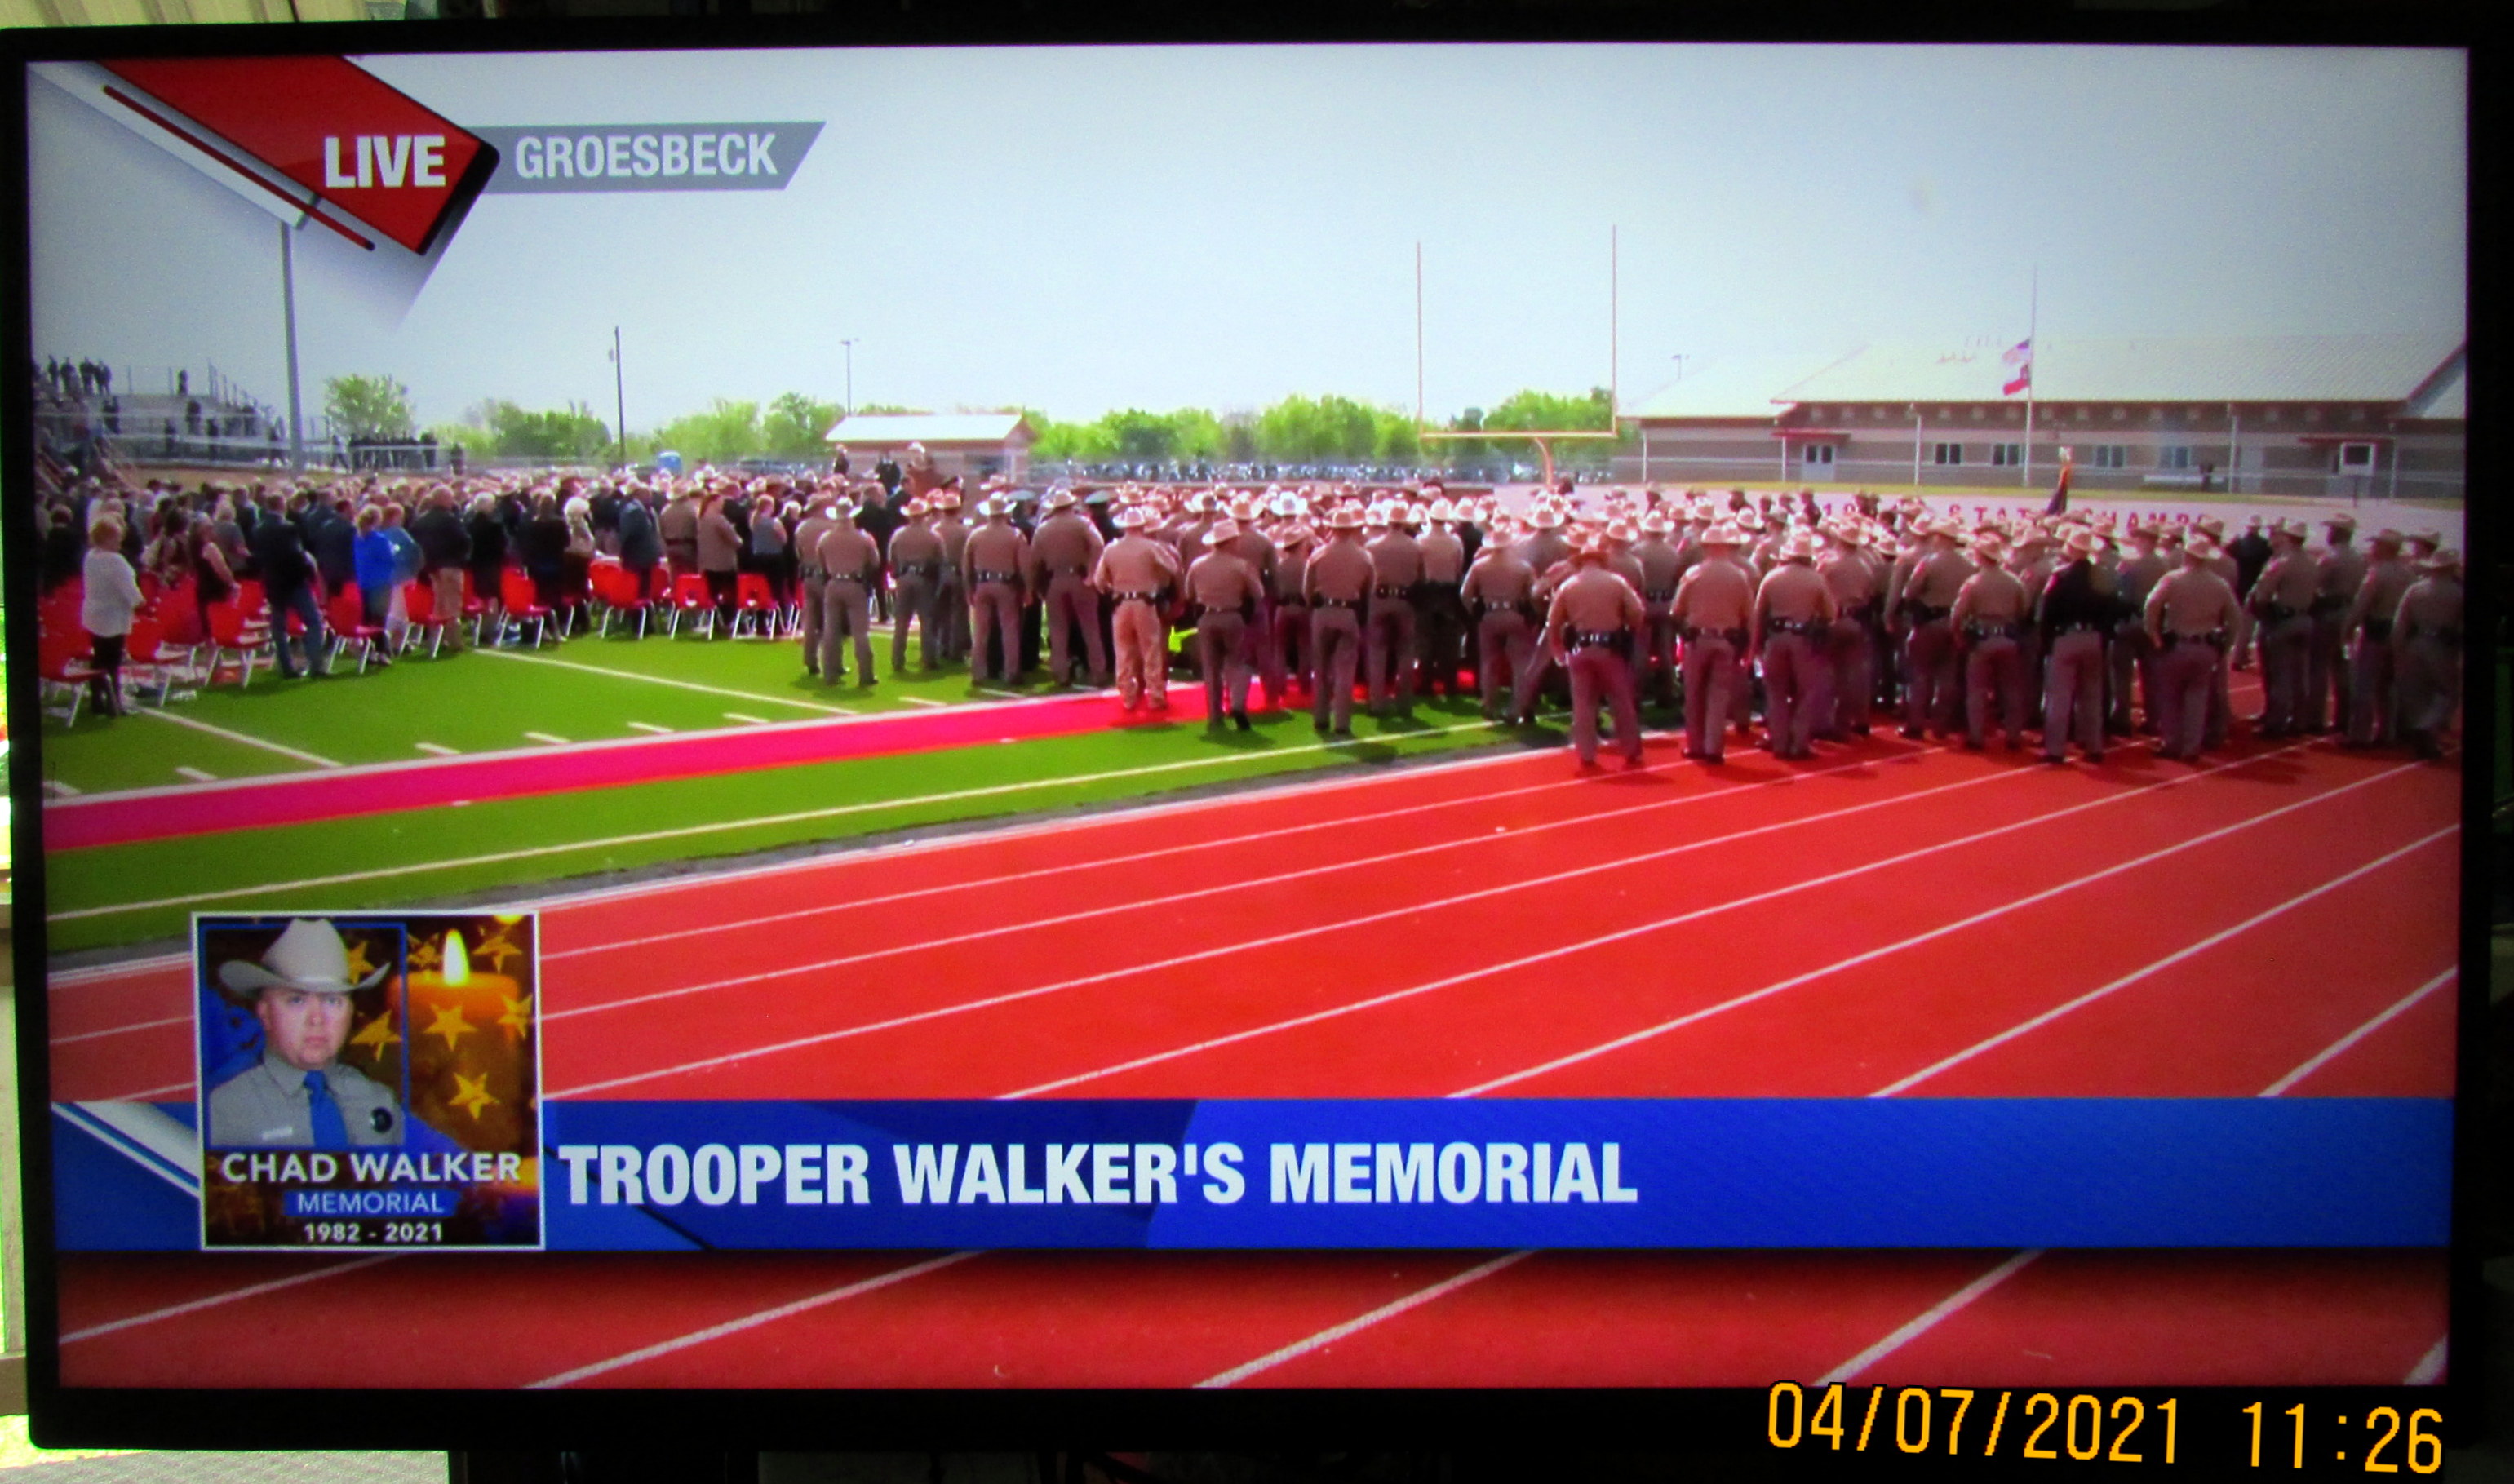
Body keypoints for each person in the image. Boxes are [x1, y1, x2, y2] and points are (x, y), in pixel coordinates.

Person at [206, 919, 401, 1150]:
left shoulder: (378, 1100)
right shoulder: (225, 1109)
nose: (317, 1019)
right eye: (297, 1000)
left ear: (350, 1013)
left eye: (332, 1001)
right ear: (265, 1013)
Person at [1543, 536, 1647, 769]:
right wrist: (1629, 629)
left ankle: (1586, 752)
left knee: (1583, 704)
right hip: (1610, 648)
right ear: (1601, 560)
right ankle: (1630, 748)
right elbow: (1637, 611)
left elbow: (1553, 623)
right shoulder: (1616, 582)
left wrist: (1557, 649)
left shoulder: (1569, 585)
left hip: (1579, 648)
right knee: (1621, 700)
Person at [2143, 535, 2241, 761]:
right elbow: (2235, 618)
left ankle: (2172, 742)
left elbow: (2151, 605)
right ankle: (2192, 746)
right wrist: (2224, 647)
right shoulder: (2219, 584)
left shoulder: (2173, 579)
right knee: (2198, 697)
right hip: (2206, 646)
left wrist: (2155, 636)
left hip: (2177, 644)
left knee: (2170, 696)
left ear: (2186, 555)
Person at [1751, 530, 1839, 760]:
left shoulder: (1772, 577)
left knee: (1776, 692)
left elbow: (1758, 614)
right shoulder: (1816, 579)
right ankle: (1799, 742)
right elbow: (1830, 614)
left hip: (1776, 638)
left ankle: (1778, 740)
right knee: (1805, 692)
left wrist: (1755, 645)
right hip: (1803, 640)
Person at [1671, 523, 1754, 763]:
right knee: (1719, 696)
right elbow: (1748, 614)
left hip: (1697, 640)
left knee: (1694, 694)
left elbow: (1677, 609)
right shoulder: (1739, 576)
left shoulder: (1694, 574)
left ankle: (1695, 744)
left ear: (1706, 547)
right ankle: (1714, 748)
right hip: (1726, 640)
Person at [1093, 505, 1184, 712]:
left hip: (1121, 602)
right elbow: (1172, 568)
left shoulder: (1111, 549)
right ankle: (1156, 695)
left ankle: (1127, 695)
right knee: (1151, 650)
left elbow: (1099, 581)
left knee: (1123, 651)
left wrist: (1114, 587)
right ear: (1143, 526)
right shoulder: (1151, 547)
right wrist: (1156, 578)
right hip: (1145, 602)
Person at [2037, 528, 2117, 764]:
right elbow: (2112, 609)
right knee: (2092, 695)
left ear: (2070, 548)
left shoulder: (2061, 576)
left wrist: (2047, 642)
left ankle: (2055, 748)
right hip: (2093, 636)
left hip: (2066, 637)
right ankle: (2094, 745)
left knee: (2060, 696)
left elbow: (2047, 612)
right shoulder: (2101, 576)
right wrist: (2103, 636)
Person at [1951, 533, 2030, 751]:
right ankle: (2014, 734)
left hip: (1982, 639)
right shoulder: (2015, 581)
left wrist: (1958, 635)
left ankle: (1977, 735)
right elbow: (2024, 609)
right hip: (2008, 637)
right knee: (2011, 690)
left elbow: (1958, 614)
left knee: (1977, 690)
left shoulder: (1974, 582)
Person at [1302, 503, 1376, 734]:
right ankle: (1342, 722)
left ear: (1332, 529)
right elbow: (1369, 591)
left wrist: (1314, 606)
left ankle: (1321, 717)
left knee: (1321, 668)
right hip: (1348, 612)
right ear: (1352, 529)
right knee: (1345, 671)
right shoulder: (1364, 556)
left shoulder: (1318, 555)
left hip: (1323, 611)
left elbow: (1307, 590)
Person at [1186, 520, 1266, 731]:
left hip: (1207, 616)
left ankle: (1214, 714)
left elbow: (1189, 593)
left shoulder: (1197, 565)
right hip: (1232, 616)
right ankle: (1237, 703)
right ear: (1231, 541)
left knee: (1211, 668)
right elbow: (1258, 593)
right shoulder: (1241, 566)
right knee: (1238, 663)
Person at [2342, 529, 2416, 749]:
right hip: (2398, 634)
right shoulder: (2408, 574)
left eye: (2377, 545)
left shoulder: (2377, 573)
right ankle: (2387, 731)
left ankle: (2360, 734)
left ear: (2385, 548)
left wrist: (2348, 629)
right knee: (2388, 686)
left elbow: (2361, 605)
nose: (2373, 548)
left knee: (2363, 685)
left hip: (2375, 633)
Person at [2244, 519, 2319, 738]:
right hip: (2304, 618)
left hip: (2283, 621)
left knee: (2280, 675)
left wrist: (2261, 612)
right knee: (2300, 674)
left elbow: (2263, 592)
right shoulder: (2312, 562)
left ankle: (2276, 721)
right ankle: (2299, 719)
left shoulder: (2282, 562)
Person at [1028, 488, 1109, 688]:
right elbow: (1098, 545)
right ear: (1071, 505)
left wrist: (1038, 587)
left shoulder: (1043, 529)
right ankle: (1098, 672)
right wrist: (1092, 574)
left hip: (1055, 580)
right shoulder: (1083, 523)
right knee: (1090, 629)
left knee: (1058, 630)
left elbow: (1034, 561)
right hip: (1080, 580)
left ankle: (1060, 673)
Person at [1461, 521, 1538, 722]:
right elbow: (1533, 595)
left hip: (1489, 615)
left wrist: (1474, 611)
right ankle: (1517, 708)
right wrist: (1531, 613)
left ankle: (1489, 704)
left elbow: (1465, 594)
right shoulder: (1523, 567)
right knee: (1519, 664)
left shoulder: (1480, 566)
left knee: (1489, 662)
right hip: (1515, 614)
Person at [2392, 547, 2463, 760]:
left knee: (2417, 693)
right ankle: (2426, 726)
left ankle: (2424, 735)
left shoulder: (2416, 589)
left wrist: (2398, 649)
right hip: (2442, 646)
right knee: (2448, 692)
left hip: (2415, 644)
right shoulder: (2458, 593)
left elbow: (2400, 622)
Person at [247, 494, 328, 678]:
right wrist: (308, 571)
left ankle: (286, 666)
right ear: (281, 505)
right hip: (294, 581)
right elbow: (296, 555)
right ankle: (316, 663)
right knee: (313, 621)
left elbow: (258, 556)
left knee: (279, 627)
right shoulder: (288, 528)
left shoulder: (258, 529)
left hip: (274, 583)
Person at [962, 497, 1031, 686]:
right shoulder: (1015, 535)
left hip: (982, 585)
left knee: (981, 631)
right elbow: (1024, 567)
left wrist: (969, 589)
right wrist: (1028, 589)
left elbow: (966, 567)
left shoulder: (975, 535)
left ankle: (978, 672)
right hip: (1006, 585)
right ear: (1006, 513)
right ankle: (1011, 672)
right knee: (1009, 629)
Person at [80, 516, 143, 717]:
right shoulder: (115, 561)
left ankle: (97, 700)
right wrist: (140, 602)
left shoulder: (90, 556)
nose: (119, 543)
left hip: (94, 614)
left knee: (98, 658)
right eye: (117, 538)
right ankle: (114, 703)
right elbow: (129, 589)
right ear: (107, 538)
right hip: (112, 616)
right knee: (113, 662)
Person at [814, 501, 881, 686]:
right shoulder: (864, 538)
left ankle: (830, 672)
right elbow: (874, 562)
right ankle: (866, 673)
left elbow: (821, 563)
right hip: (854, 583)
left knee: (831, 630)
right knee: (860, 632)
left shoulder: (825, 539)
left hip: (833, 583)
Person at [886, 498, 947, 673]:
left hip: (904, 578)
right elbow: (941, 560)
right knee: (926, 620)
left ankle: (897, 659)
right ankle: (929, 658)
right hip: (924, 579)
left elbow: (891, 558)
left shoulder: (898, 535)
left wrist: (897, 573)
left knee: (901, 621)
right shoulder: (933, 536)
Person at [411, 488, 472, 652]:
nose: (453, 501)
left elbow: (416, 544)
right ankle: (454, 640)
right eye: (450, 498)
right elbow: (464, 540)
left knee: (438, 604)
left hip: (432, 567)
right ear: (443, 499)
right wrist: (462, 559)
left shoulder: (421, 521)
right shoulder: (450, 520)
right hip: (450, 565)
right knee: (453, 604)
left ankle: (436, 639)